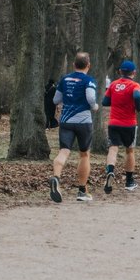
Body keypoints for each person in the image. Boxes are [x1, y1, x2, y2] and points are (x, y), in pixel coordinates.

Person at [49, 52, 99, 203]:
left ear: (73, 65)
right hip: (83, 122)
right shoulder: (89, 80)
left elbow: (55, 99)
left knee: (64, 151)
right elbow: (90, 97)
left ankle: (56, 177)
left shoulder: (64, 79)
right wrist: (94, 106)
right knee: (84, 155)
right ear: (88, 65)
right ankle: (82, 191)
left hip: (66, 121)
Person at [101, 60, 140, 193]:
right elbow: (137, 95)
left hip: (114, 123)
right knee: (129, 150)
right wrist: (138, 107)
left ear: (120, 72)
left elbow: (105, 102)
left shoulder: (113, 84)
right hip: (129, 123)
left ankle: (110, 171)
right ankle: (129, 182)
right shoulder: (135, 85)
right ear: (134, 73)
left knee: (113, 149)